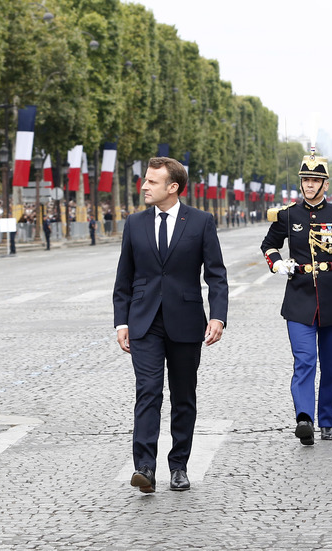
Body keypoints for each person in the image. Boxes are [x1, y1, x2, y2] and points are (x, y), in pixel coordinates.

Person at [113, 156, 229, 493]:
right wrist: (121, 322)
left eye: (152, 181)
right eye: (145, 180)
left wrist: (218, 315)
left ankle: (179, 466)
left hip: (186, 322)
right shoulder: (134, 224)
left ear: (173, 187)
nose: (144, 186)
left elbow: (217, 275)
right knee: (147, 392)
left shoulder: (201, 222)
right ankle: (145, 468)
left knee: (183, 397)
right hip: (144, 323)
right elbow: (124, 278)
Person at [260, 153, 332, 445]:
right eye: (305, 180)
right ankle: (304, 418)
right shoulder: (289, 215)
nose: (309, 185)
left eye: (314, 180)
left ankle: (328, 421)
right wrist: (278, 264)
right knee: (305, 361)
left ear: (325, 183)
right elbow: (269, 245)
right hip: (299, 298)